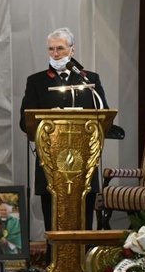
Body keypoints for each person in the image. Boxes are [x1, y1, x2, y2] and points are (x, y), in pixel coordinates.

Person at [19, 27, 108, 238]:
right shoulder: (37, 81)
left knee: (84, 208)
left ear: (72, 50)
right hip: (50, 158)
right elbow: (25, 121)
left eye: (60, 48)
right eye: (51, 49)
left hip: (83, 158)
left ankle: (84, 259)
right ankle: (54, 261)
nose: (56, 54)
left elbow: (103, 114)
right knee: (52, 210)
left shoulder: (89, 80)